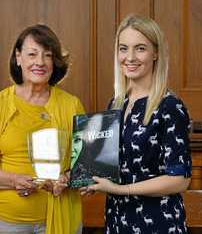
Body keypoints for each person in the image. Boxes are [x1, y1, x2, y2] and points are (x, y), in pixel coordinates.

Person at [0, 24, 84, 234]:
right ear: (18, 58)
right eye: (32, 54)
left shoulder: (71, 105)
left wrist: (66, 178)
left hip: (59, 220)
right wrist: (14, 180)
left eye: (47, 55)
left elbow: (85, 167)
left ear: (54, 62)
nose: (40, 62)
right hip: (6, 223)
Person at [80, 14, 192, 233]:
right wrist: (94, 181)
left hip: (159, 223)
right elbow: (116, 165)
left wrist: (120, 189)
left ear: (155, 53)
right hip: (117, 220)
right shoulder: (116, 103)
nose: (129, 57)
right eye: (123, 48)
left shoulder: (169, 106)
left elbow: (179, 179)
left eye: (140, 48)